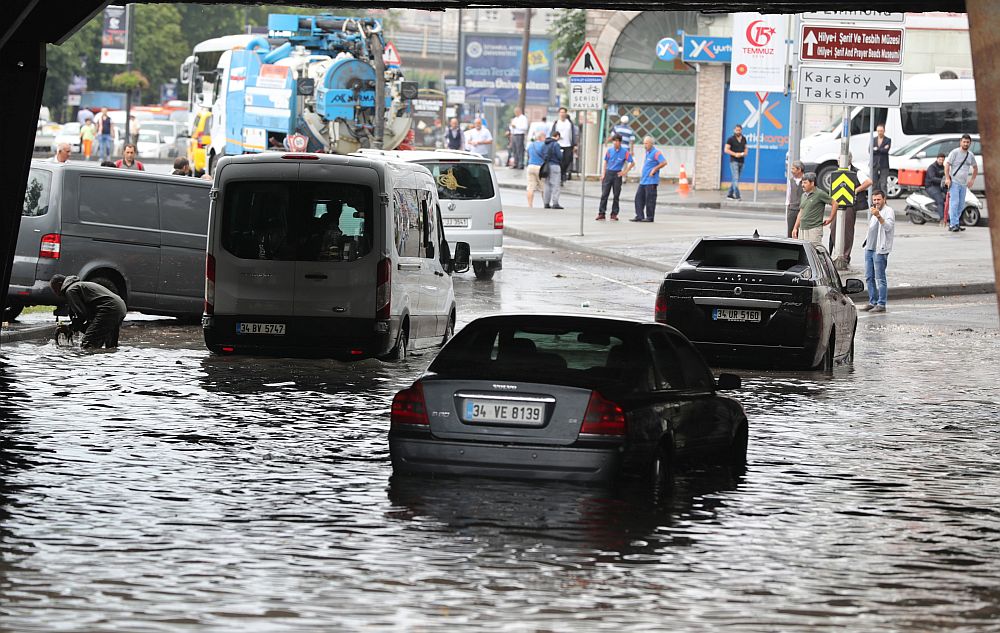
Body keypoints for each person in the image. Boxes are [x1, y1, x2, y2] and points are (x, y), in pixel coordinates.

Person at [49, 274, 128, 349]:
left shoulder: (71, 290)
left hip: (108, 309)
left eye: (55, 290)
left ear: (60, 284)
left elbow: (81, 315)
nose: (56, 294)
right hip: (119, 307)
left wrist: (69, 328)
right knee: (111, 347)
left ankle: (89, 362)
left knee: (88, 345)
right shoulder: (79, 285)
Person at [828, 154, 872, 266]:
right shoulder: (837, 172)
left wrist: (855, 191)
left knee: (847, 230)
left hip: (850, 205)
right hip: (837, 204)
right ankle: (835, 252)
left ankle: (845, 256)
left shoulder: (856, 172)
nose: (838, 160)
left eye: (840, 158)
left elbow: (868, 182)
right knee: (833, 228)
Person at [859, 190, 895, 313]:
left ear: (884, 199)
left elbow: (888, 227)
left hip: (880, 249)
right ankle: (872, 301)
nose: (876, 202)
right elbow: (872, 229)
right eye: (874, 200)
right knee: (869, 277)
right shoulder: (873, 210)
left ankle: (881, 304)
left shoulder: (888, 211)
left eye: (878, 199)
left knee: (880, 278)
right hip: (869, 248)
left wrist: (879, 216)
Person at [944, 133, 978, 233]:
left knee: (961, 205)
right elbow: (947, 165)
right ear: (960, 142)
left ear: (970, 143)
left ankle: (955, 223)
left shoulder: (970, 155)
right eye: (964, 142)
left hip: (963, 184)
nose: (966, 144)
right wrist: (947, 178)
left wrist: (972, 180)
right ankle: (953, 224)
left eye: (967, 142)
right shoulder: (954, 152)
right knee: (954, 204)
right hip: (954, 182)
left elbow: (975, 168)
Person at [792, 172, 838, 246]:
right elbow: (801, 212)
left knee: (814, 252)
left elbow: (835, 203)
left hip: (814, 230)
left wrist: (831, 218)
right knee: (803, 253)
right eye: (802, 183)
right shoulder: (803, 195)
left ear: (812, 183)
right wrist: (795, 228)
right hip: (802, 229)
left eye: (805, 183)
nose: (802, 185)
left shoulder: (820, 194)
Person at [596, 134, 633, 221]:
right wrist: (603, 173)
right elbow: (605, 161)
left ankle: (614, 214)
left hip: (617, 174)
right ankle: (601, 213)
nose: (615, 143)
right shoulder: (609, 151)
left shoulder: (625, 152)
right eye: (614, 141)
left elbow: (632, 163)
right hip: (608, 173)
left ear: (620, 142)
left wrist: (624, 172)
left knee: (616, 195)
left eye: (617, 141)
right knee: (604, 194)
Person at [631, 136, 666, 223]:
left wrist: (655, 169)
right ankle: (639, 216)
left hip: (651, 181)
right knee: (638, 198)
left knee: (650, 200)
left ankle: (650, 217)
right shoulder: (647, 152)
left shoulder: (656, 152)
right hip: (643, 181)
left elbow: (664, 162)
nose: (644, 145)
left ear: (651, 143)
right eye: (644, 143)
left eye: (646, 143)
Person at [551, 107, 576, 183]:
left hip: (568, 144)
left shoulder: (569, 123)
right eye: (561, 112)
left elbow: (573, 134)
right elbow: (552, 133)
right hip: (558, 144)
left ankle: (563, 172)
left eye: (563, 112)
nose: (562, 114)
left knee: (567, 160)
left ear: (566, 113)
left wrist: (574, 144)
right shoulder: (556, 123)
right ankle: (561, 176)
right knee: (559, 161)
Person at [724, 124, 747, 200]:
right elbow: (726, 149)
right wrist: (735, 154)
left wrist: (744, 153)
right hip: (734, 161)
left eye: (739, 130)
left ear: (741, 130)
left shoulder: (744, 139)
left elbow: (746, 148)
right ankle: (737, 196)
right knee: (736, 178)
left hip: (742, 161)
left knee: (735, 178)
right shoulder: (730, 139)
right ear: (734, 130)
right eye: (736, 130)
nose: (738, 131)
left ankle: (729, 194)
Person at [525, 131, 547, 208]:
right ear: (541, 137)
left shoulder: (531, 145)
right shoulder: (544, 145)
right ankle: (545, 204)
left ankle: (530, 205)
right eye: (545, 137)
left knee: (530, 187)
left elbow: (528, 154)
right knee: (543, 187)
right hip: (540, 168)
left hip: (530, 166)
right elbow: (546, 156)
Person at [542, 131, 564, 209]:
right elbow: (560, 156)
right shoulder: (556, 144)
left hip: (546, 167)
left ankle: (546, 203)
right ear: (557, 136)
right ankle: (555, 203)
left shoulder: (545, 144)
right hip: (555, 165)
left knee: (547, 184)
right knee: (555, 185)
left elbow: (542, 154)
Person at [924, 153, 947, 223]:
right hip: (931, 186)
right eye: (940, 159)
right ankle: (942, 219)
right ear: (937, 159)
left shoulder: (943, 167)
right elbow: (932, 178)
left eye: (942, 160)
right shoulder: (932, 167)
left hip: (939, 186)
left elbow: (946, 175)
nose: (941, 161)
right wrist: (943, 180)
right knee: (940, 201)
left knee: (950, 196)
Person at [786, 160, 805, 238]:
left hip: (803, 209)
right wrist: (788, 207)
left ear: (799, 169)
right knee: (790, 232)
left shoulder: (806, 180)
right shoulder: (791, 181)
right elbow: (788, 195)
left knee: (801, 232)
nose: (791, 171)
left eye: (793, 169)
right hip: (792, 209)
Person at [871, 124, 892, 193]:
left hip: (884, 165)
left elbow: (886, 150)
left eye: (881, 131)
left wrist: (877, 149)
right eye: (878, 131)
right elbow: (870, 151)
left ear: (884, 131)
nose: (880, 132)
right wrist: (881, 149)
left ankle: (884, 200)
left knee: (883, 184)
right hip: (874, 164)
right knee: (874, 183)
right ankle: (874, 200)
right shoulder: (873, 140)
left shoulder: (888, 140)